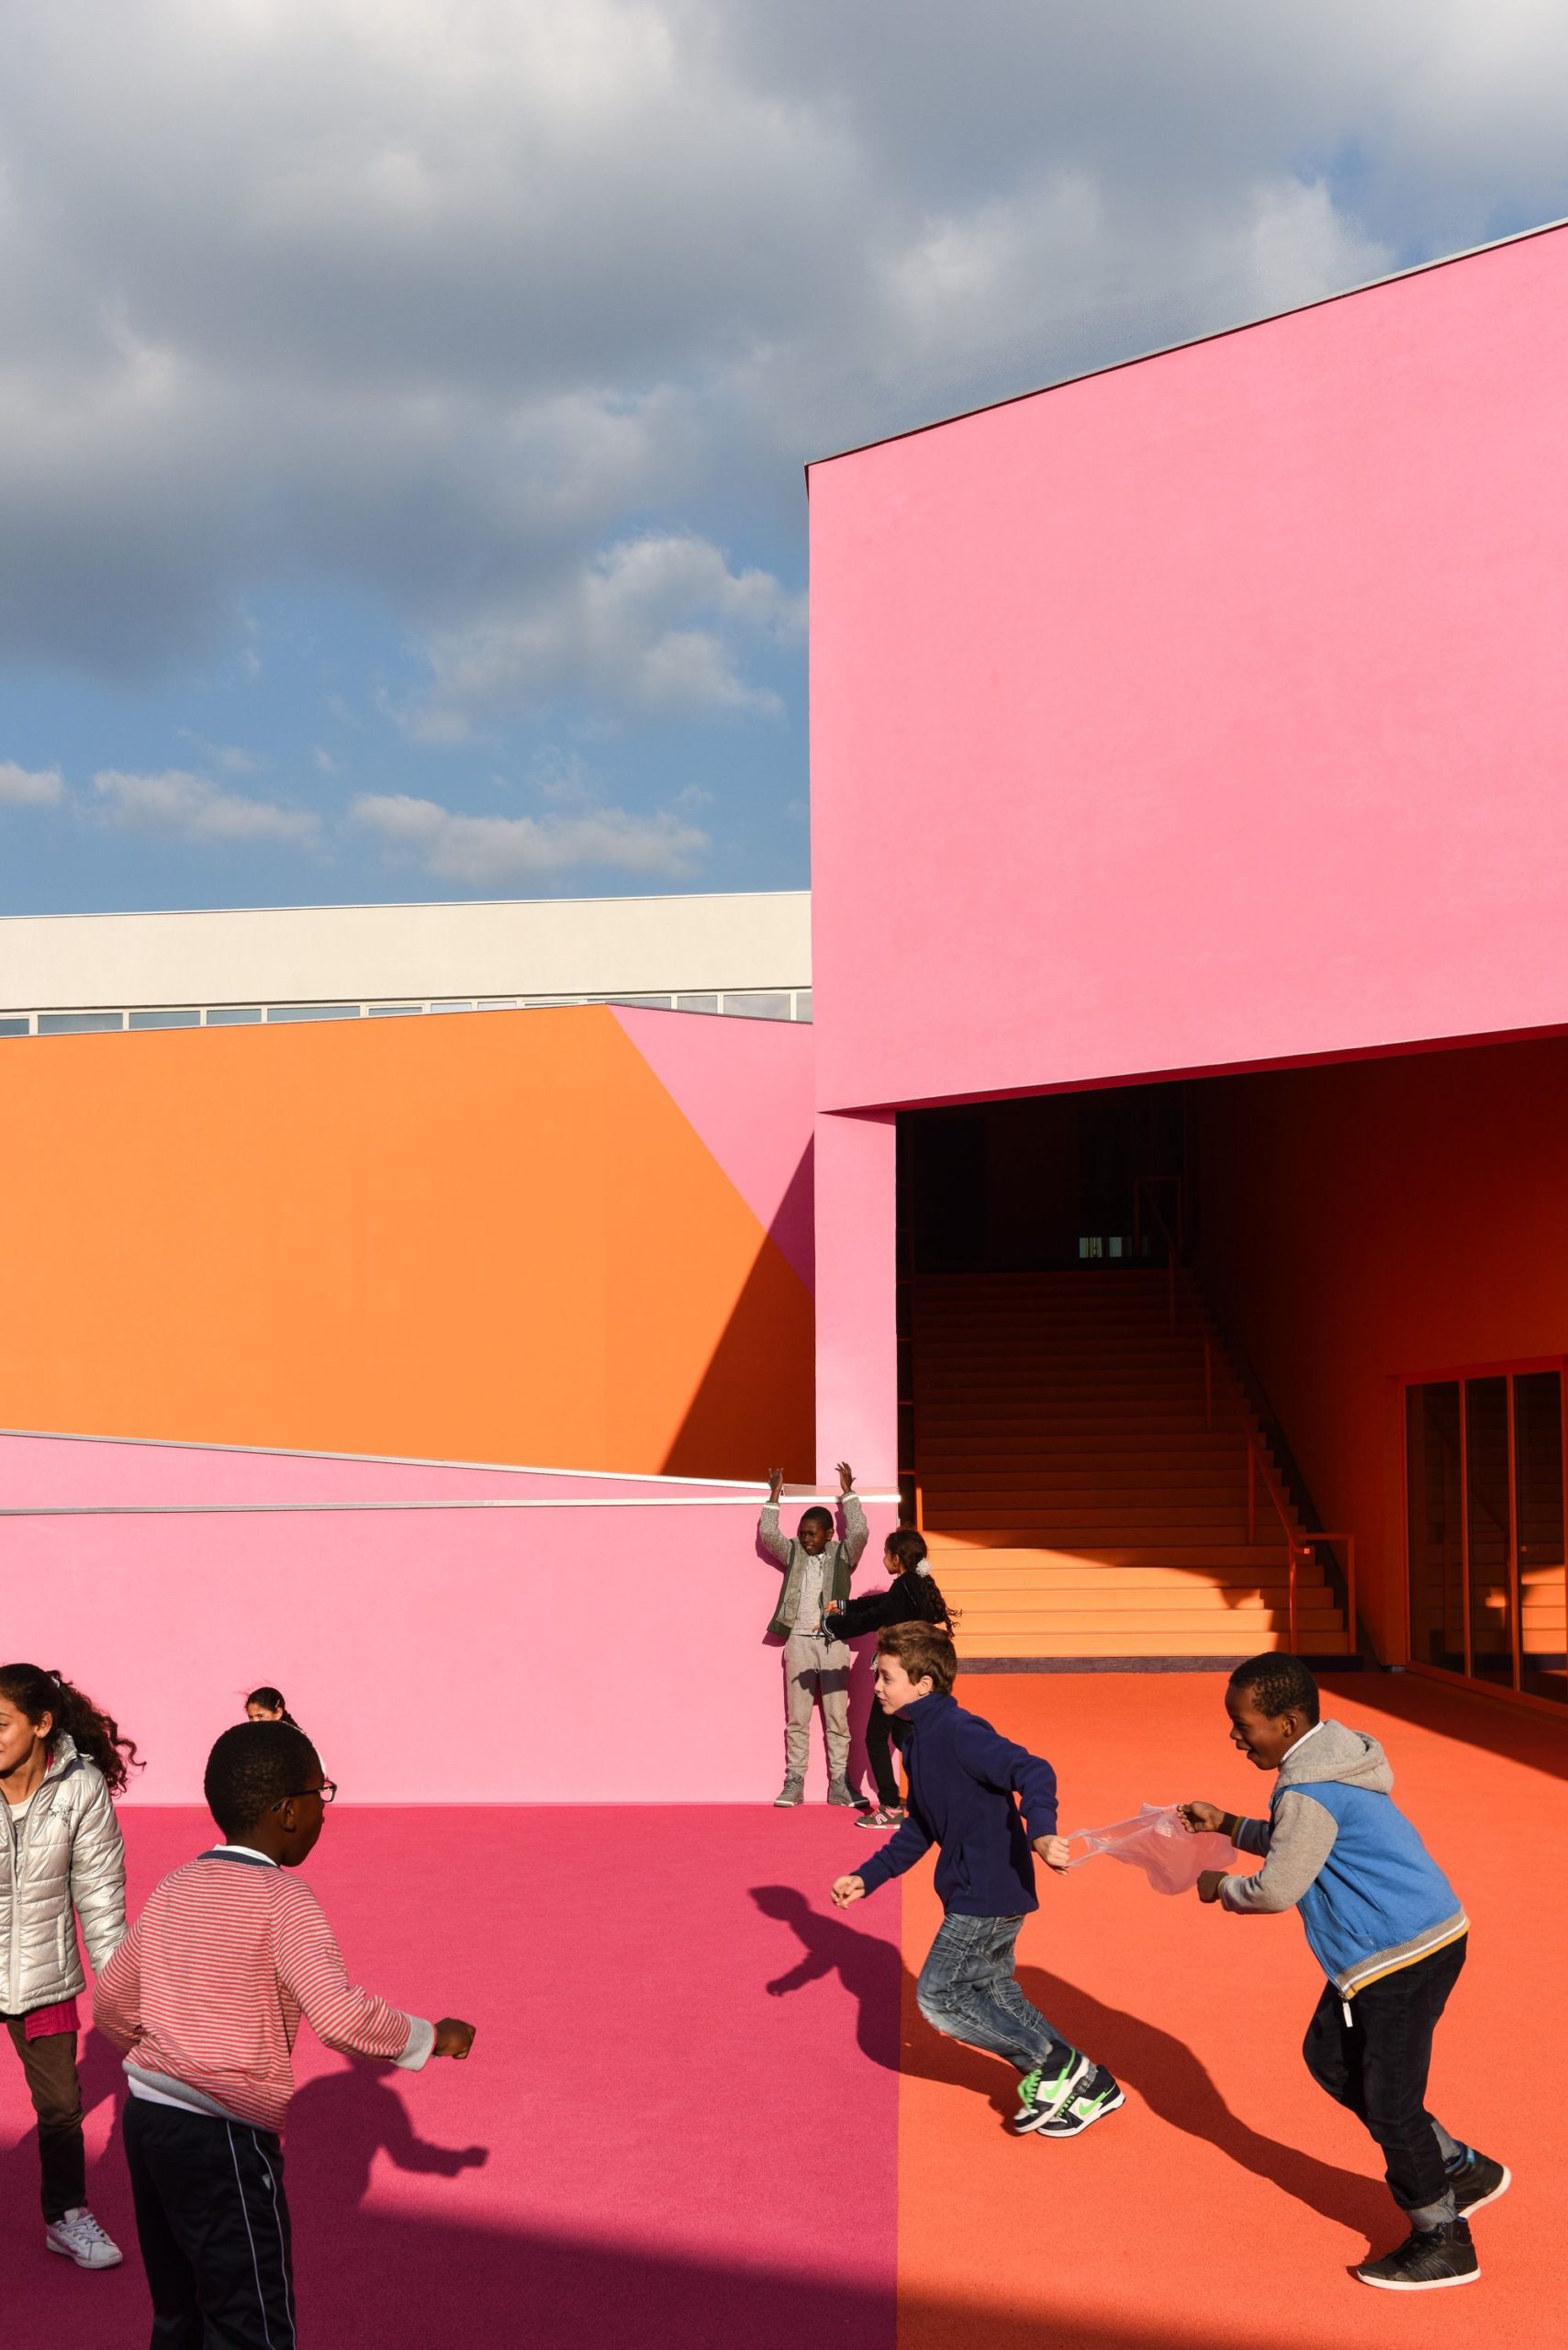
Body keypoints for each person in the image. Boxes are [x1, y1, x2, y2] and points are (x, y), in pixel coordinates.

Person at [94, 1719, 476, 2344]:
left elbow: (112, 2000)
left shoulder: (175, 1886)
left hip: (148, 2120)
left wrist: (162, 2058)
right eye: (319, 1794)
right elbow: (340, 2016)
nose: (325, 1809)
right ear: (287, 1811)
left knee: (179, 2312)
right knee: (252, 2321)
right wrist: (430, 2037)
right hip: (224, 2137)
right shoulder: (284, 1899)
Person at [1182, 1653, 1506, 2293]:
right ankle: (1457, 2166)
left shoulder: (1308, 1788)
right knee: (1330, 2056)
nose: (1235, 1735)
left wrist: (1223, 1887)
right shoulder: (1329, 1762)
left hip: (1400, 1956)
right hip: (1414, 1939)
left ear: (1287, 1722)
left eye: (1243, 1724)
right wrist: (1228, 1824)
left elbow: (1276, 1889)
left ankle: (1443, 2238)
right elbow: (1301, 1841)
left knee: (1391, 2105)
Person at [831, 1624, 1123, 2139]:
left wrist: (1041, 1832)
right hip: (982, 1890)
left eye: (887, 1677)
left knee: (938, 1996)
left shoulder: (960, 1732)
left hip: (985, 1891)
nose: (876, 1686)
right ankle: (1090, 2083)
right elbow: (920, 1827)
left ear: (923, 1684)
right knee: (994, 1992)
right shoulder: (916, 1743)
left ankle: (1054, 2065)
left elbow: (1034, 1770)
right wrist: (867, 1877)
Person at [0, 1660, 136, 2271]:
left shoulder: (81, 1788)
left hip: (45, 1974)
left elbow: (100, 1895)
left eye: (0, 1723)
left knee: (60, 2107)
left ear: (41, 1724)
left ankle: (66, 2216)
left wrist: (121, 1988)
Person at [824, 1527, 954, 1829]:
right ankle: (931, 1796)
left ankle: (890, 1807)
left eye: (886, 1554)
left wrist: (833, 1626)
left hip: (899, 1676)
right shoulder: (915, 1585)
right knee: (903, 1736)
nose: (883, 1558)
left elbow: (876, 1617)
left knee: (875, 1738)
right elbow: (882, 1604)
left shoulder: (904, 1587)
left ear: (897, 1558)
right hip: (915, 1673)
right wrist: (845, 1606)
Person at [759, 1461, 868, 1807]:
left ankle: (839, 1782)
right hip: (799, 1643)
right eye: (803, 1533)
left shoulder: (842, 1555)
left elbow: (860, 1533)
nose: (805, 1539)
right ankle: (795, 1781)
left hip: (833, 1644)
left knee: (837, 1718)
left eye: (812, 1534)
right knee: (798, 1719)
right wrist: (775, 1495)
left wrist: (848, 1495)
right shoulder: (793, 1552)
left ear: (828, 1534)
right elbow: (769, 1535)